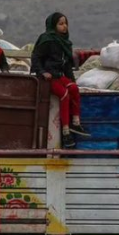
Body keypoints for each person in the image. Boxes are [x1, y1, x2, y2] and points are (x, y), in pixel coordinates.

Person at [31, 12, 88, 149]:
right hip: (48, 76)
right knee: (64, 94)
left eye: (65, 23)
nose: (64, 26)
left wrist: (72, 80)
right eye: (61, 24)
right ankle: (66, 132)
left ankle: (75, 122)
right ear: (53, 25)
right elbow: (36, 57)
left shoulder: (65, 42)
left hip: (59, 75)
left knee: (73, 89)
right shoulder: (47, 39)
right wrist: (42, 72)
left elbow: (67, 65)